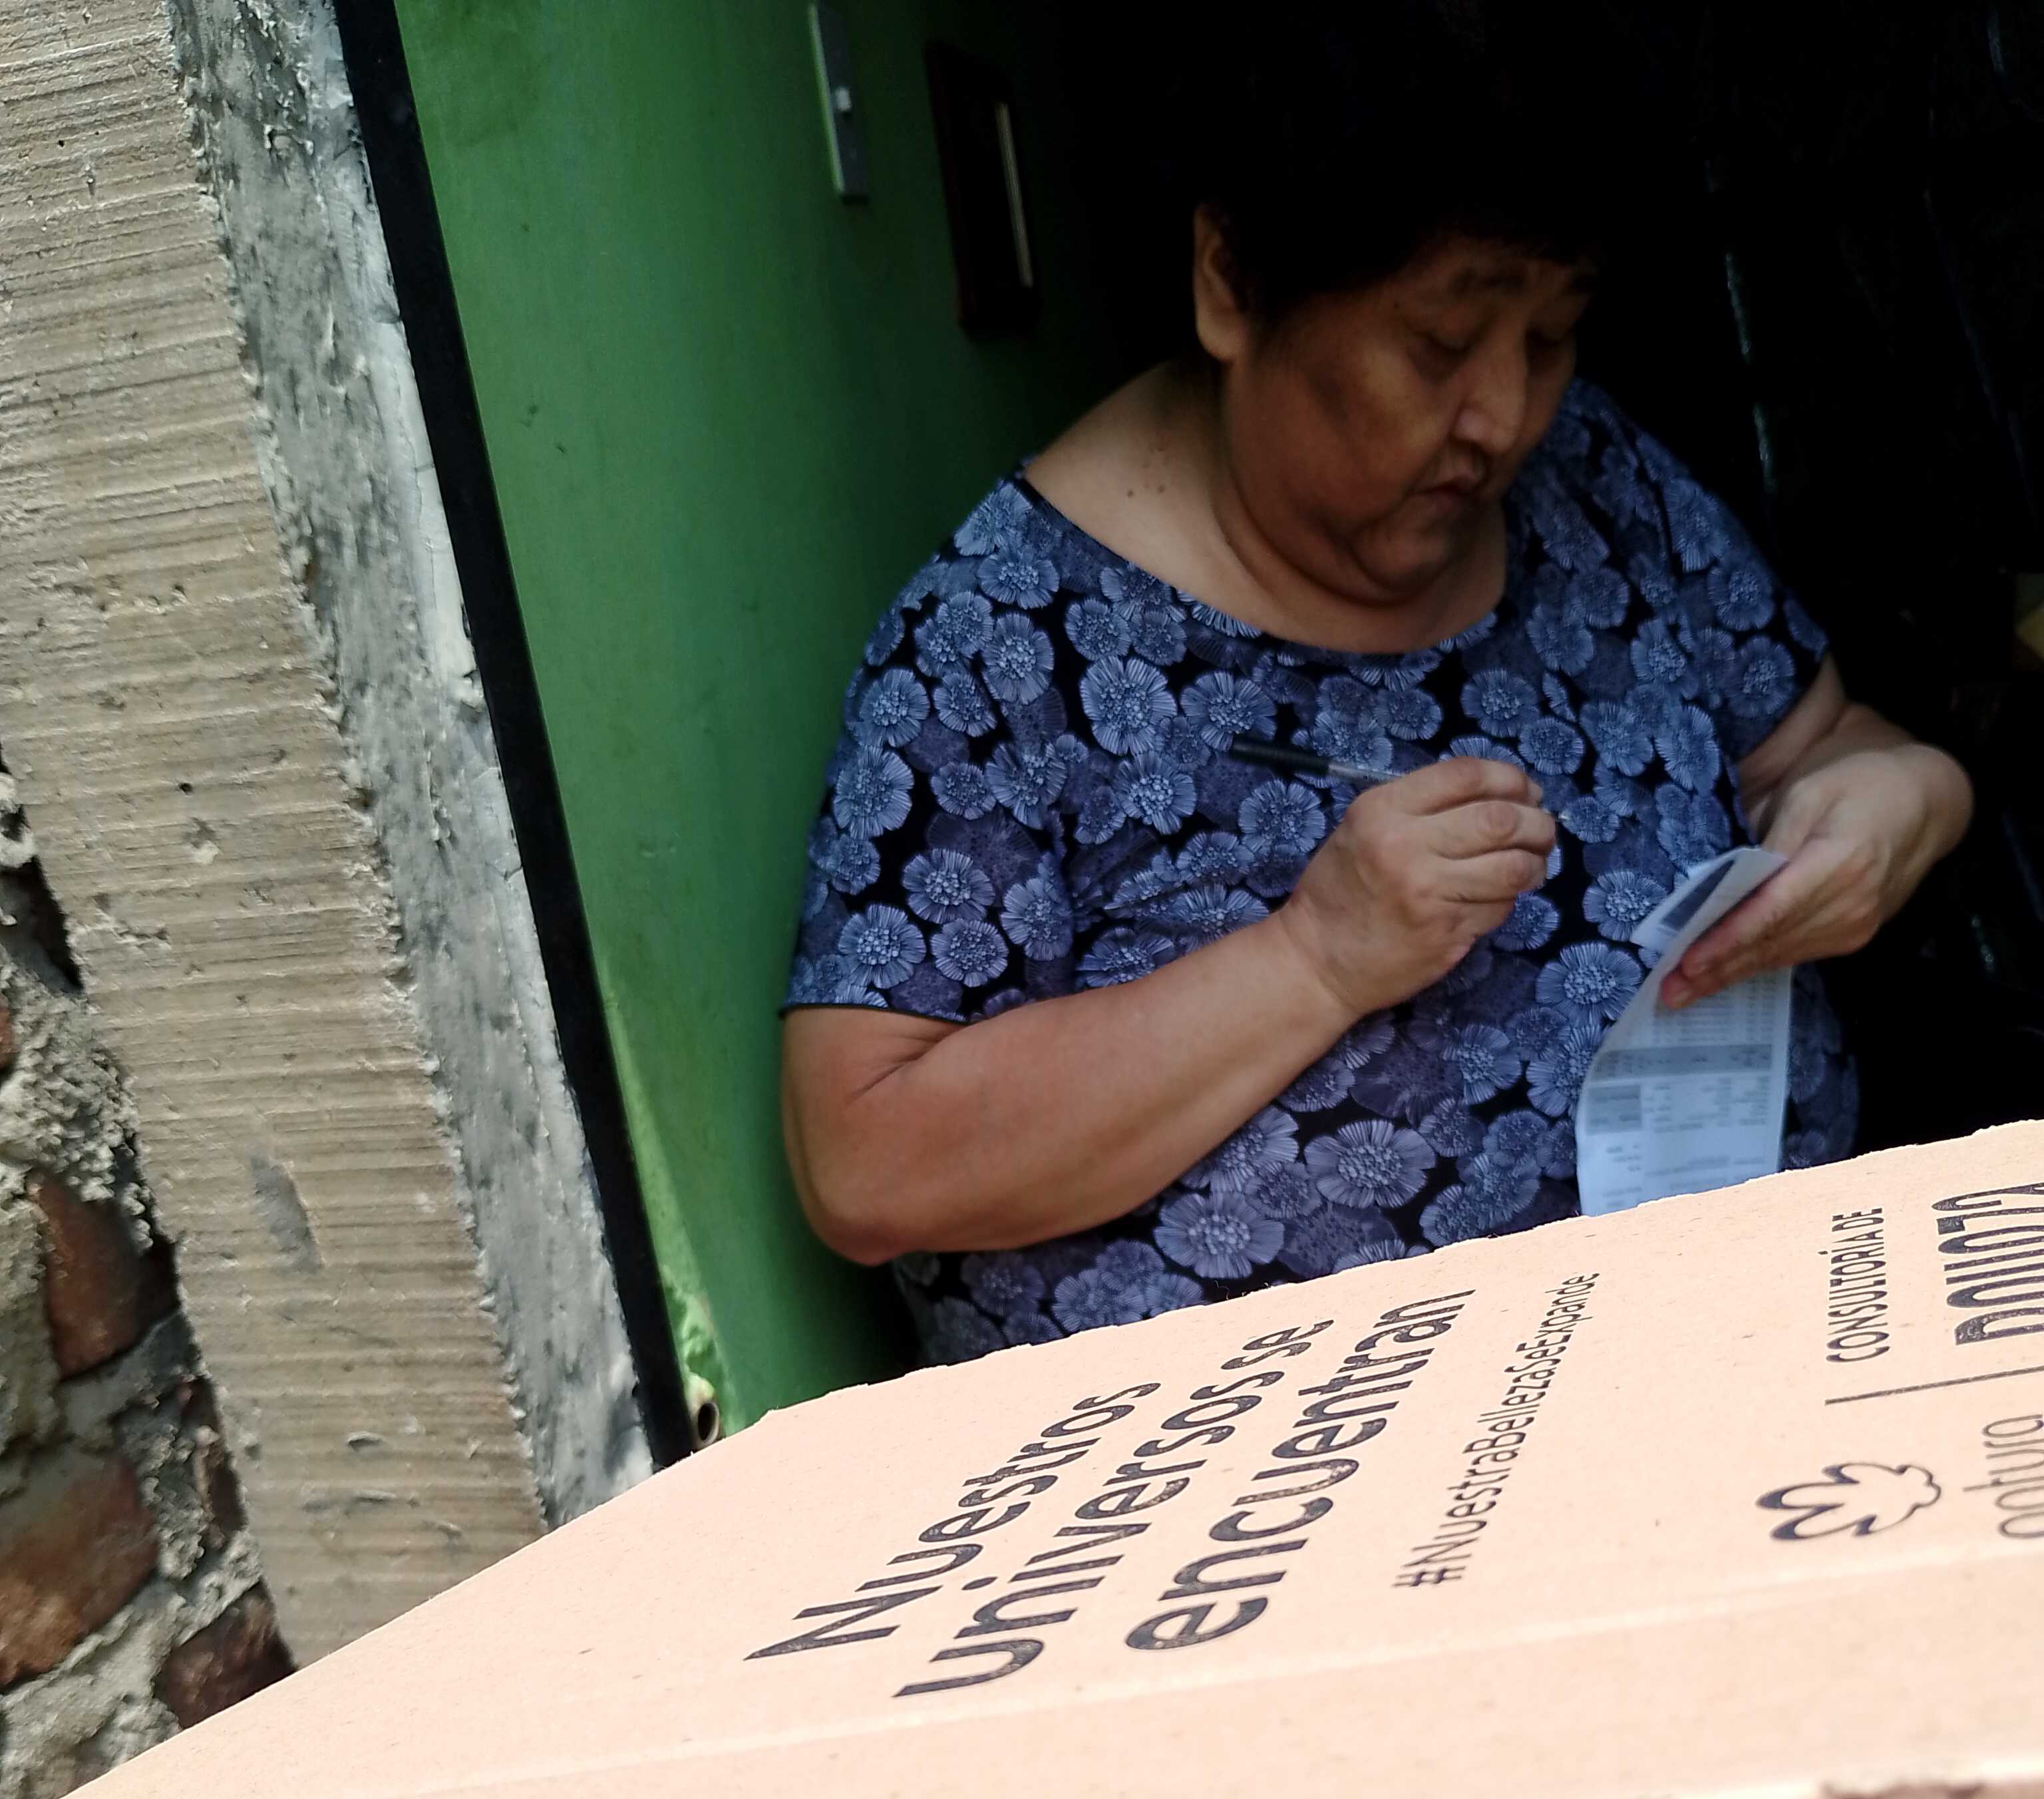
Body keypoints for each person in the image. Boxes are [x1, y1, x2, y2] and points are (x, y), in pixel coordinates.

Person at [780, 1, 1973, 1364]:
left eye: (1551, 336)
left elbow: (1822, 746)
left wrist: (1901, 804)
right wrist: (1313, 959)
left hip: (1759, 1360)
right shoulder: (1002, 648)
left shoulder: (1595, 478)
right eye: (1440, 345)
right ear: (1232, 283)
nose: (1506, 417)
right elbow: (864, 1163)